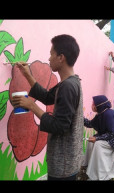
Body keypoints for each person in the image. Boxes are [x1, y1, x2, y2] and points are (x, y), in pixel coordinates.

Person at [11, 34, 84, 180]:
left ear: (60, 57)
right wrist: (28, 75)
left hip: (63, 166)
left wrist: (31, 105)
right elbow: (47, 97)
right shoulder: (70, 82)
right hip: (68, 162)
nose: (49, 58)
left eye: (51, 54)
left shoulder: (68, 86)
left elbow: (60, 126)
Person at [82, 95, 114, 180]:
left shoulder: (108, 114)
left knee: (98, 144)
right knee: (91, 140)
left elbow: (112, 133)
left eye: (94, 104)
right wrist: (80, 118)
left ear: (99, 105)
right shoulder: (101, 114)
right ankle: (88, 166)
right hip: (113, 134)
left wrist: (97, 138)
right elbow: (90, 124)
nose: (92, 105)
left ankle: (100, 174)